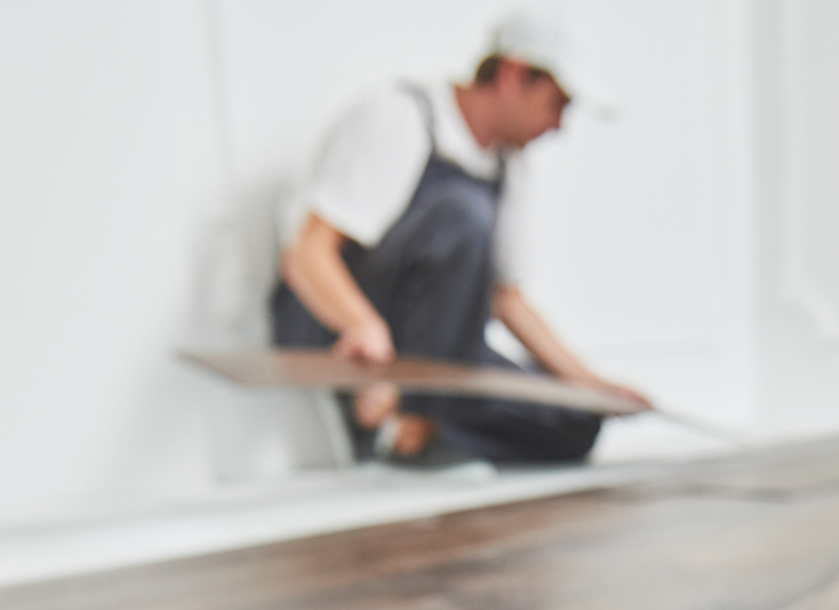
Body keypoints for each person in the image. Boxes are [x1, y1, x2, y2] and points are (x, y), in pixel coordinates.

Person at [269, 8, 650, 466]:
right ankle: (414, 428)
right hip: (334, 324)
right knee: (463, 215)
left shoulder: (511, 164)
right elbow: (307, 254)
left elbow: (506, 298)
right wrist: (362, 327)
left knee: (574, 422)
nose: (559, 125)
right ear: (513, 75)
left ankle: (412, 422)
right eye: (558, 103)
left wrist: (591, 385)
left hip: (440, 347)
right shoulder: (400, 116)